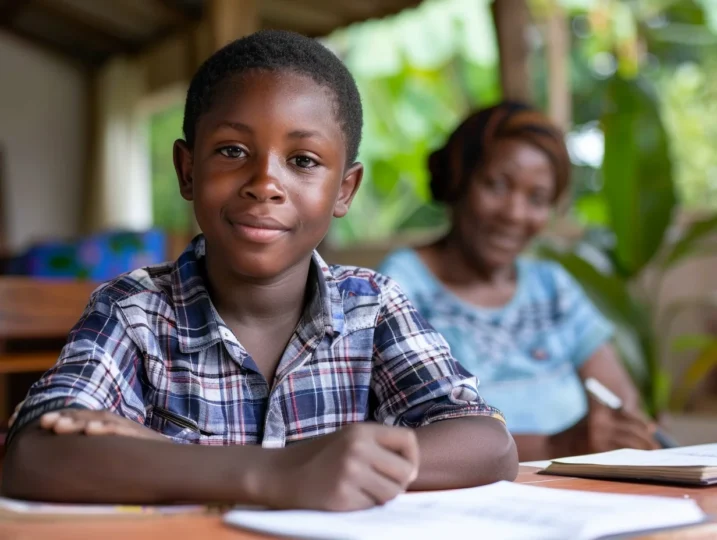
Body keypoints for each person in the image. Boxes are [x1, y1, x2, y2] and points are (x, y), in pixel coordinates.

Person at [1, 31, 517, 509]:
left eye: (304, 160)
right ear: (188, 169)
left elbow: (487, 444)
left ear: (345, 189)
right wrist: (282, 472)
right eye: (232, 151)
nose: (265, 183)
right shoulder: (134, 311)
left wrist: (170, 456)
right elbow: (34, 456)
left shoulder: (373, 305)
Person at [378, 102, 659, 462]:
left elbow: (621, 403)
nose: (514, 214)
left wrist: (626, 430)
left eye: (537, 198)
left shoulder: (552, 288)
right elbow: (413, 436)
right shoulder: (399, 287)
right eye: (496, 185)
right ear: (458, 179)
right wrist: (558, 447)